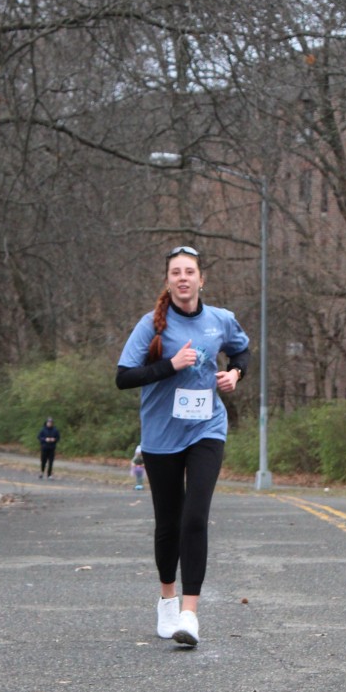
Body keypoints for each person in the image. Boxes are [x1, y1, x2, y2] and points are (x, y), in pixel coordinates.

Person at [116, 244, 250, 647]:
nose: (183, 278)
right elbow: (124, 377)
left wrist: (235, 374)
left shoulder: (220, 319)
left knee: (195, 517)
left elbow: (242, 351)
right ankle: (167, 600)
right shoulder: (151, 326)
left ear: (201, 279)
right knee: (169, 523)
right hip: (161, 435)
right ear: (168, 281)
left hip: (207, 428)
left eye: (189, 271)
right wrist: (169, 366)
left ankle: (190, 614)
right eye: (176, 272)